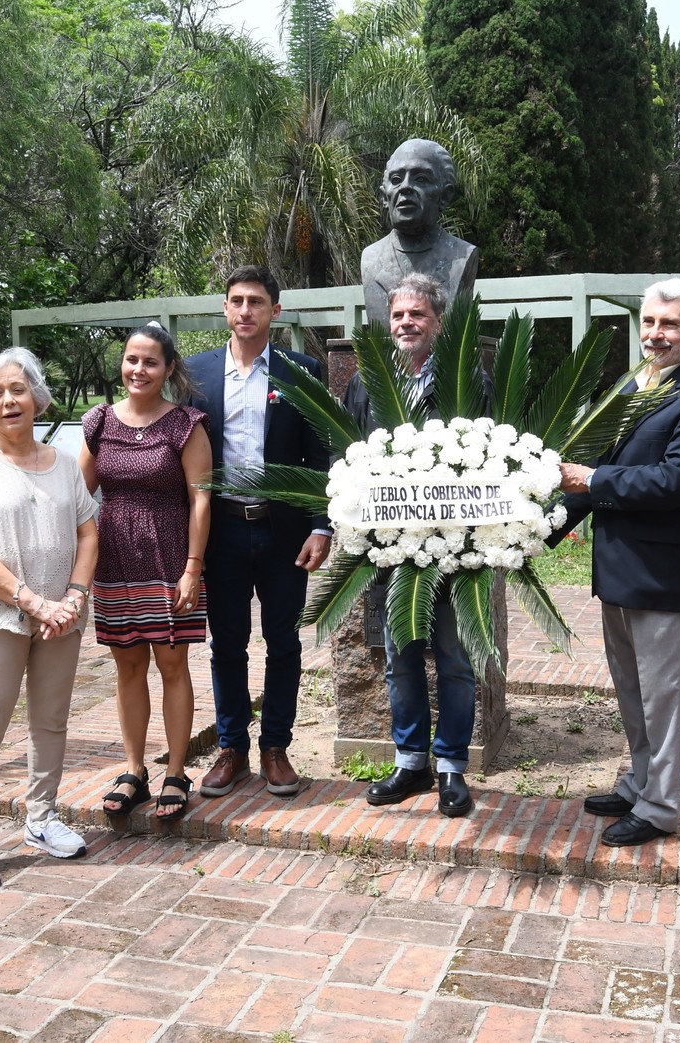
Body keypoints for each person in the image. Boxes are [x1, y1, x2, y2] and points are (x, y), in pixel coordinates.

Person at [551, 278, 680, 847]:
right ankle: (638, 781)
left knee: (664, 695)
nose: (655, 334)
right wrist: (540, 530)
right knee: (631, 690)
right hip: (617, 569)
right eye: (649, 322)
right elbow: (597, 466)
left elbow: (676, 481)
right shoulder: (633, 385)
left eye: (670, 324)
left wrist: (594, 479)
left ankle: (659, 807)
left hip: (664, 573)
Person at [0, 348, 98, 889]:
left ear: (37, 396)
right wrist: (33, 602)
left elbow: (88, 533)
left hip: (62, 616)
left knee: (51, 722)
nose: (9, 400)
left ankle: (42, 818)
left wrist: (74, 597)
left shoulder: (63, 463)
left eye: (18, 389)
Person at [344, 273, 489, 818]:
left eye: (417, 315)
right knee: (399, 660)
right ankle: (411, 762)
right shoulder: (364, 383)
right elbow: (350, 453)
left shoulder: (465, 378)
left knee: (454, 659)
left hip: (452, 549)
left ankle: (451, 767)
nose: (406, 323)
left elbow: (488, 457)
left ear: (438, 321)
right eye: (399, 315)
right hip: (391, 549)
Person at [187, 265, 332, 799]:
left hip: (284, 534)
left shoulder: (301, 371)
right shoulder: (195, 375)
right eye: (236, 300)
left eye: (255, 301)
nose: (245, 310)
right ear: (224, 309)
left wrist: (321, 525)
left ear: (276, 309)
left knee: (284, 642)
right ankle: (231, 748)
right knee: (226, 644)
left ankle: (275, 747)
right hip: (221, 533)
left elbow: (321, 455)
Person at [80, 323, 212, 821]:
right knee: (128, 667)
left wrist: (192, 569)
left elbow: (201, 499)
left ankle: (176, 771)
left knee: (172, 666)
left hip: (169, 559)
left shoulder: (185, 424)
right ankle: (134, 769)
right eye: (132, 359)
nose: (139, 369)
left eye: (150, 362)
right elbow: (76, 493)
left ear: (168, 369)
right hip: (114, 561)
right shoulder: (98, 423)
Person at [360, 139, 480, 329]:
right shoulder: (370, 258)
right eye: (396, 180)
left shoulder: (461, 256)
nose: (405, 187)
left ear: (445, 195)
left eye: (421, 179)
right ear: (385, 197)